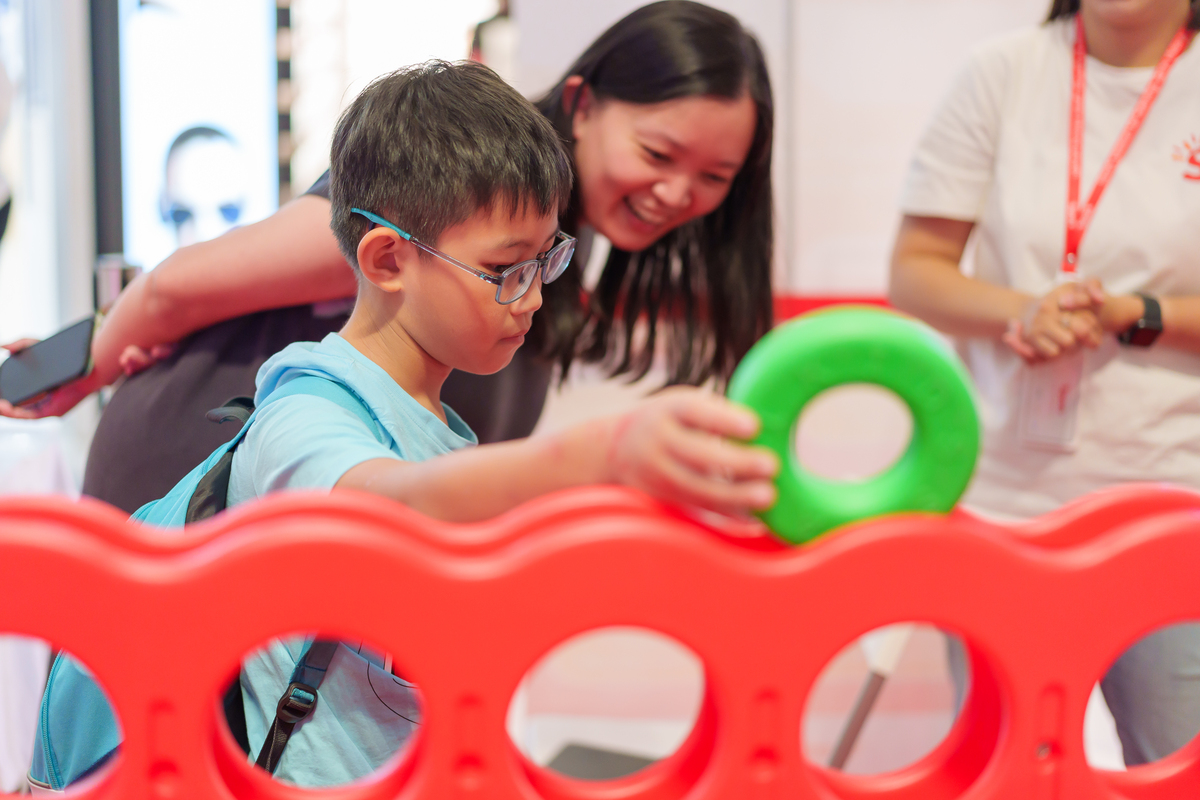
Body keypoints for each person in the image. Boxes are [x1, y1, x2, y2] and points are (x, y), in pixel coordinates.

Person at [30, 60, 778, 791]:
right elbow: (384, 506)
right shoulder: (306, 408)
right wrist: (603, 452)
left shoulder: (439, 428)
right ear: (387, 259)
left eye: (546, 262)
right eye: (506, 270)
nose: (531, 299)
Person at [0, 0, 775, 518]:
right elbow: (176, 288)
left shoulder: (551, 232)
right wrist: (77, 367)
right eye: (659, 152)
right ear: (583, 103)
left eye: (713, 178)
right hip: (196, 474)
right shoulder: (437, 195)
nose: (677, 194)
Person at [889, 0, 1200, 766]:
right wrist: (1021, 312)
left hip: (1172, 509)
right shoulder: (1002, 71)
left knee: (1174, 765)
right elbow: (914, 274)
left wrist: (1137, 313)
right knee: (1005, 770)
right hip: (1001, 505)